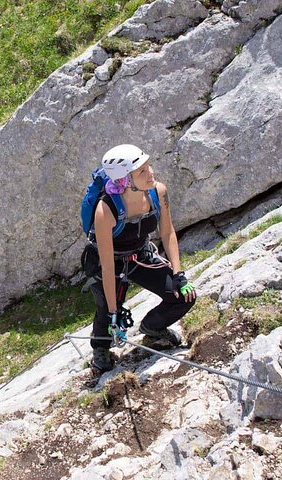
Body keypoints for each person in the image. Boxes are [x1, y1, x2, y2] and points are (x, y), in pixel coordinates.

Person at [83, 144, 197, 373]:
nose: (151, 172)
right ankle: (101, 349)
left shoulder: (158, 191)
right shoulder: (106, 211)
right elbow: (106, 267)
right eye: (142, 171)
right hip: (110, 263)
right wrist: (115, 314)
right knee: (105, 308)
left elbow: (168, 232)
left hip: (140, 256)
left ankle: (153, 327)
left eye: (148, 167)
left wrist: (178, 274)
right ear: (124, 180)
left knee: (184, 297)